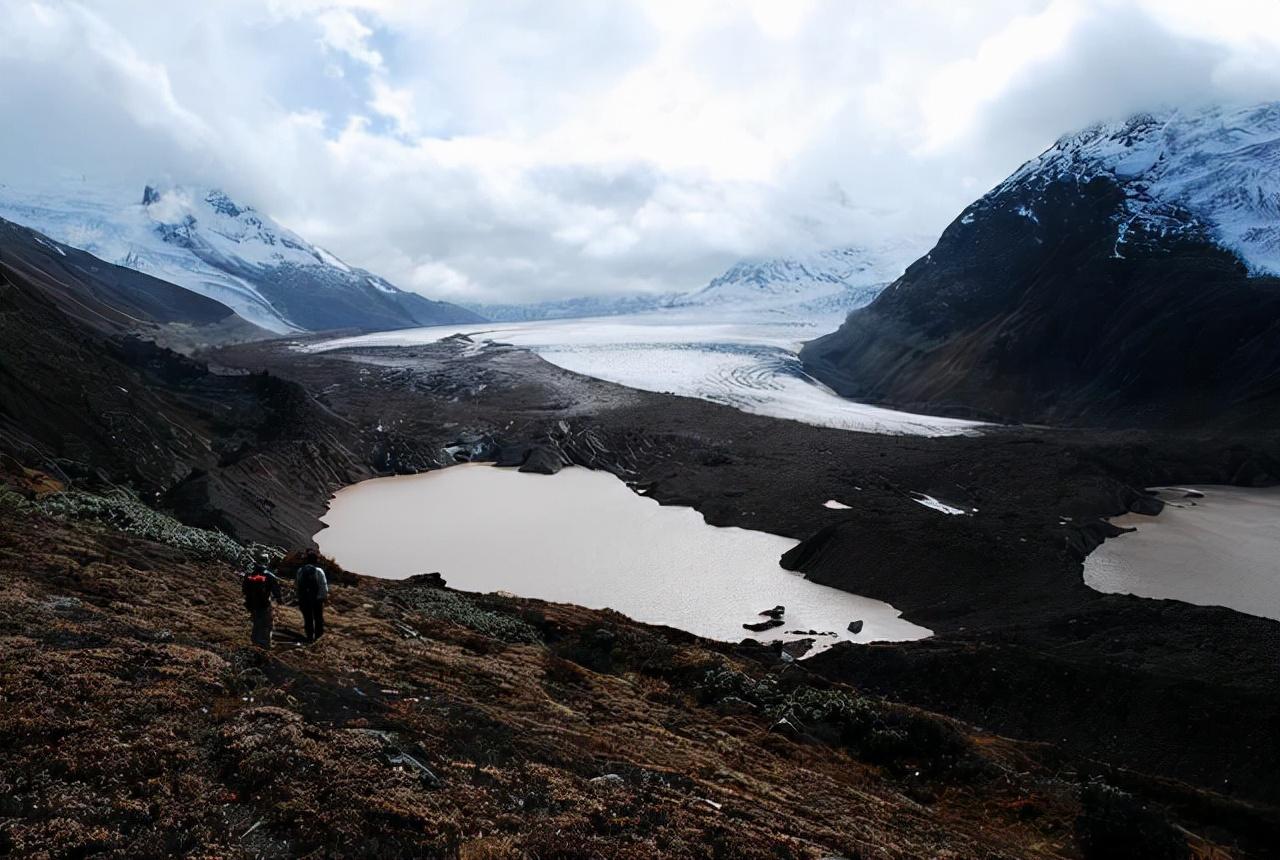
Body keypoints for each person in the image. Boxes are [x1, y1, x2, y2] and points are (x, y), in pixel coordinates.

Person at [242, 557, 282, 649]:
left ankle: (254, 642)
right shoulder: (270, 576)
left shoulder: (249, 575)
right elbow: (276, 591)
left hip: (251, 604)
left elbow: (244, 590)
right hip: (264, 604)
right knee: (266, 624)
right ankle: (264, 646)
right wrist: (279, 600)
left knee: (256, 623)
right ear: (267, 562)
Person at [295, 549, 329, 642]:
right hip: (317, 599)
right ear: (316, 560)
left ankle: (309, 637)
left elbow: (297, 585)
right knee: (318, 618)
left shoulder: (301, 570)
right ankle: (318, 638)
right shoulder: (319, 571)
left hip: (304, 599)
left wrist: (299, 597)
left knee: (308, 618)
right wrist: (323, 597)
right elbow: (323, 585)